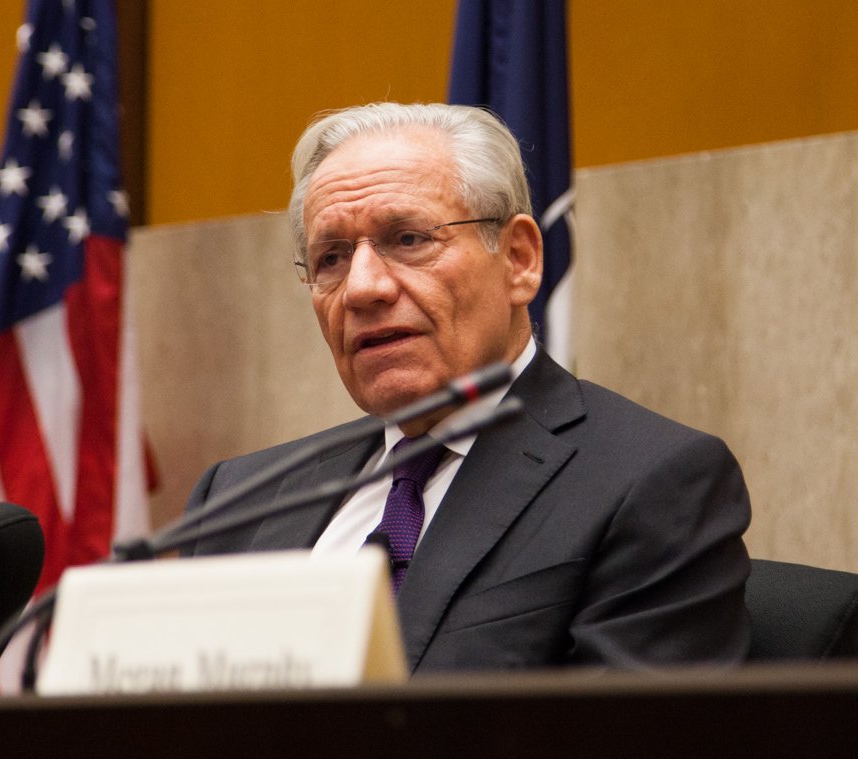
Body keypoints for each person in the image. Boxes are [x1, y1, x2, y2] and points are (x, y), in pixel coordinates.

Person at [184, 102, 752, 672]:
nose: (361, 288)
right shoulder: (239, 500)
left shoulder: (650, 482)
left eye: (408, 239)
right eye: (330, 257)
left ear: (519, 259)